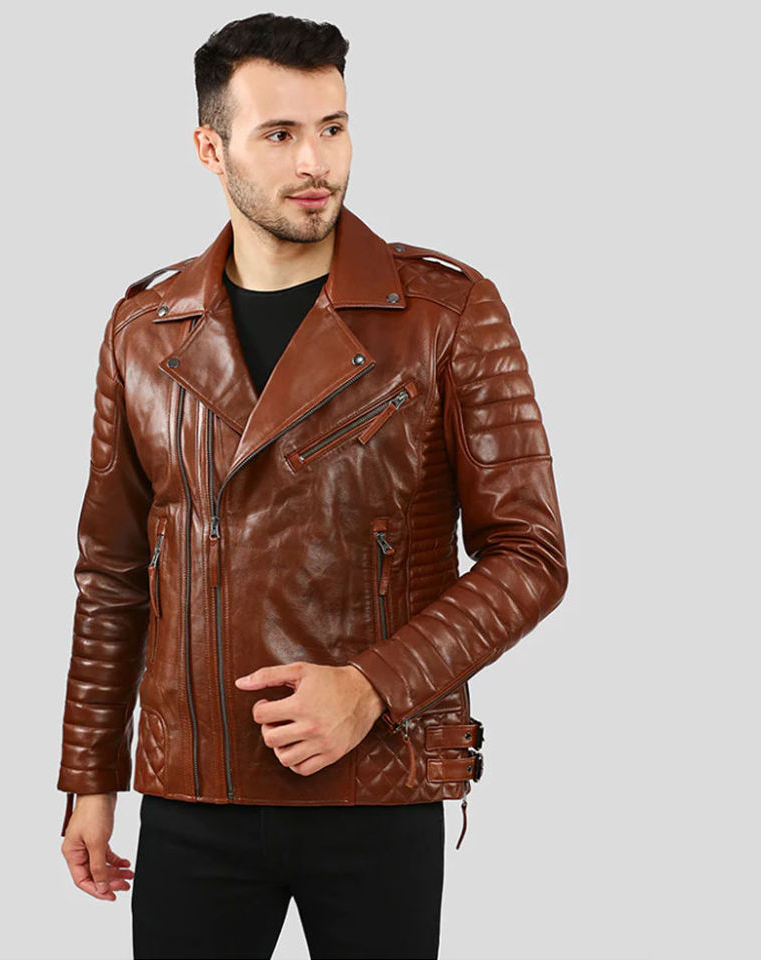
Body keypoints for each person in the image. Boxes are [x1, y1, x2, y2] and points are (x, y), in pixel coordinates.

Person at [56, 12, 568, 959]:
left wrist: (372, 686)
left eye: (333, 127)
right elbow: (113, 572)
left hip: (377, 780)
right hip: (193, 789)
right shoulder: (144, 331)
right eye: (280, 133)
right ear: (210, 149)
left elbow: (531, 555)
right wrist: (91, 776)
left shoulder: (446, 313)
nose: (315, 162)